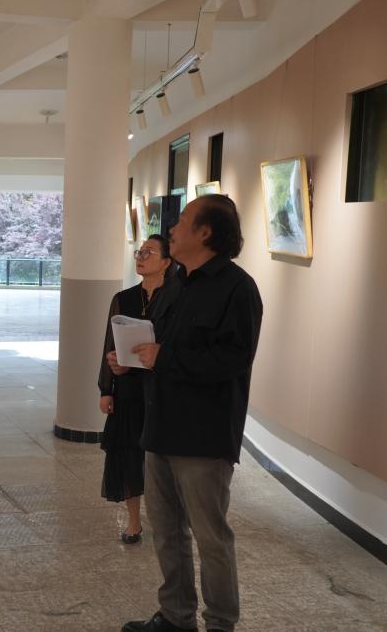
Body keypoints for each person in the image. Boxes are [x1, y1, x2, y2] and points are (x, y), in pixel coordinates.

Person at [123, 195, 263, 632]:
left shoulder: (237, 289)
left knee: (210, 537)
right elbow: (161, 343)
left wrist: (163, 357)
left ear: (205, 232)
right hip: (161, 425)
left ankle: (220, 622)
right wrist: (132, 358)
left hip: (203, 434)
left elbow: (232, 360)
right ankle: (176, 616)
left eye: (182, 221)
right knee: (166, 531)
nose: (172, 228)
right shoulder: (178, 281)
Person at [99, 234, 172, 544]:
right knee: (129, 454)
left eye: (149, 252)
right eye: (139, 252)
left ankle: (167, 520)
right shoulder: (124, 298)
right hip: (128, 388)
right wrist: (106, 387)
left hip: (163, 389)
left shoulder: (177, 298)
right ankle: (133, 522)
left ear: (166, 262)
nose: (140, 257)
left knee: (160, 459)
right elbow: (110, 344)